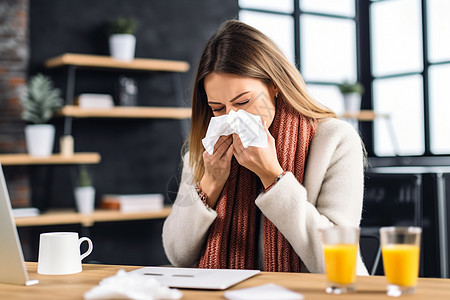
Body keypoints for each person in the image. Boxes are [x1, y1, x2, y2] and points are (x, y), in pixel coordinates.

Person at [162, 19, 368, 274]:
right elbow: (177, 255)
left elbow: (341, 263)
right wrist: (210, 184)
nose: (232, 118)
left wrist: (274, 178)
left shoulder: (335, 140)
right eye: (218, 108)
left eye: (243, 102)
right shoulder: (207, 150)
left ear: (274, 85)